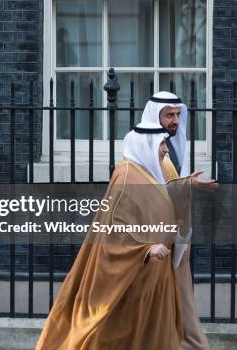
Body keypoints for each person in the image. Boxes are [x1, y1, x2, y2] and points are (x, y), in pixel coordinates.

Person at [35, 122, 183, 350]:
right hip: (134, 275)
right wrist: (146, 249)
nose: (165, 149)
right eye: (162, 143)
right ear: (146, 145)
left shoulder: (148, 174)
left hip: (154, 275)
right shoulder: (126, 177)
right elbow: (115, 229)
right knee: (115, 334)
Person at [142, 91, 216, 350]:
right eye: (169, 115)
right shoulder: (149, 154)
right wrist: (188, 184)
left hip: (174, 242)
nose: (175, 121)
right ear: (155, 116)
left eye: (177, 115)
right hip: (157, 247)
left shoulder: (166, 150)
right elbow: (150, 192)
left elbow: (167, 188)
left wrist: (186, 185)